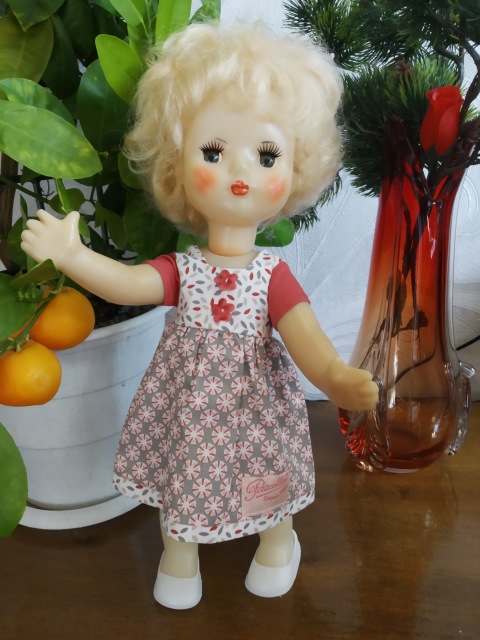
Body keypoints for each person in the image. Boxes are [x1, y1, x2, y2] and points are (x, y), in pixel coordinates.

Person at [21, 22, 378, 610]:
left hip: (256, 410)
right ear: (176, 164)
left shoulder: (271, 276)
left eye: (266, 155)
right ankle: (179, 555)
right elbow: (131, 285)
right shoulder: (183, 269)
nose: (241, 172)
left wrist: (334, 378)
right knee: (181, 474)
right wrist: (73, 256)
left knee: (265, 478)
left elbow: (304, 335)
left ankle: (278, 542)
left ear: (297, 169)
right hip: (187, 405)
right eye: (213, 151)